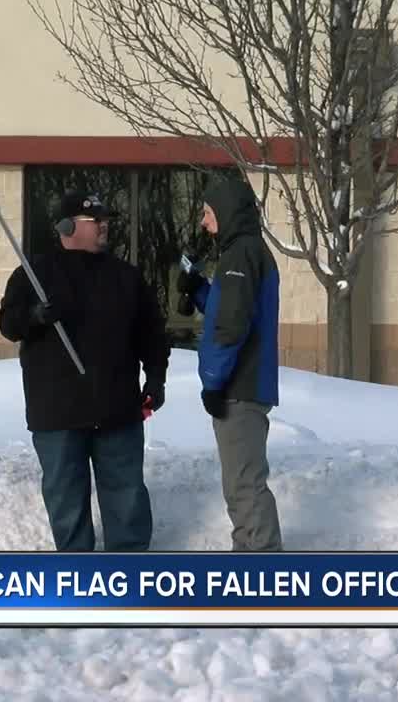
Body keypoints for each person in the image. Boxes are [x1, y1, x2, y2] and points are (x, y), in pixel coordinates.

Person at [0, 191, 170, 552]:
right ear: (66, 226)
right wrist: (36, 316)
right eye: (96, 221)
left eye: (106, 220)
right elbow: (8, 323)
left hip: (117, 412)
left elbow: (152, 334)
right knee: (66, 501)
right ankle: (78, 577)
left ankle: (130, 574)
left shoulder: (126, 277)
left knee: (127, 498)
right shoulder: (35, 274)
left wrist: (156, 377)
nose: (105, 226)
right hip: (58, 414)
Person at [176, 176, 284, 552]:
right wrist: (200, 290)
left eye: (208, 213)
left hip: (239, 387)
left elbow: (229, 327)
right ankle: (247, 560)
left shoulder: (241, 254)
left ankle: (263, 573)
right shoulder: (246, 253)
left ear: (226, 212)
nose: (204, 222)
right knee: (239, 483)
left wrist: (214, 382)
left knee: (244, 485)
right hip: (246, 385)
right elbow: (233, 310)